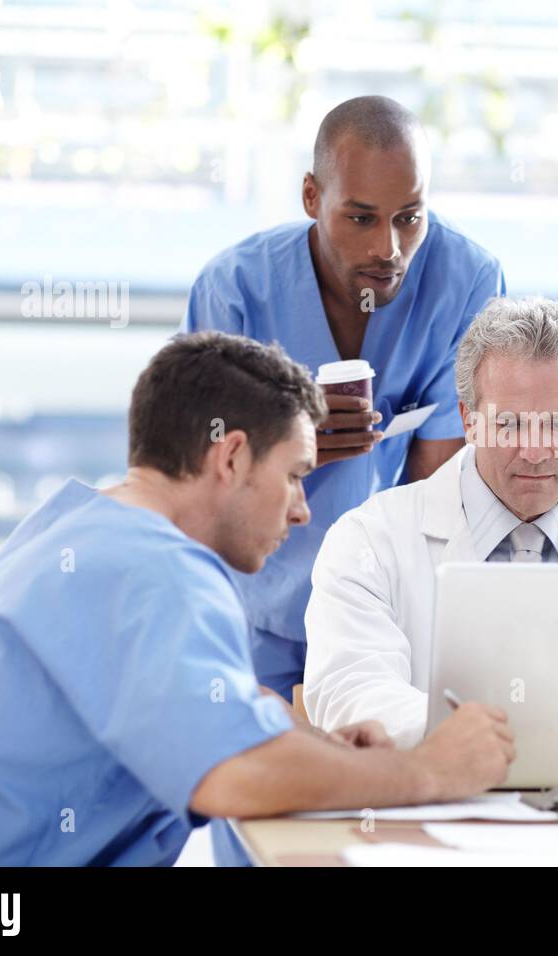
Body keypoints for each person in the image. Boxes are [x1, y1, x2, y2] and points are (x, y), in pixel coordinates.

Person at [0, 332, 513, 866]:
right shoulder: (155, 567)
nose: (301, 510)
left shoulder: (79, 528)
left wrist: (318, 749)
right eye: (295, 475)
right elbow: (234, 773)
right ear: (232, 455)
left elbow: (207, 700)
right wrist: (433, 770)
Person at [182, 95, 505, 696]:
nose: (388, 248)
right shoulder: (234, 292)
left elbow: (444, 488)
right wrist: (293, 449)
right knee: (263, 774)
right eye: (360, 218)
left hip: (390, 614)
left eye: (410, 216)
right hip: (257, 609)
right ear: (312, 197)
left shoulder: (465, 283)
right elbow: (198, 486)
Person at [304, 297, 558, 746]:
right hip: (438, 805)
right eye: (508, 424)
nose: (535, 450)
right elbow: (350, 693)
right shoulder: (368, 540)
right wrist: (490, 737)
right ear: (469, 421)